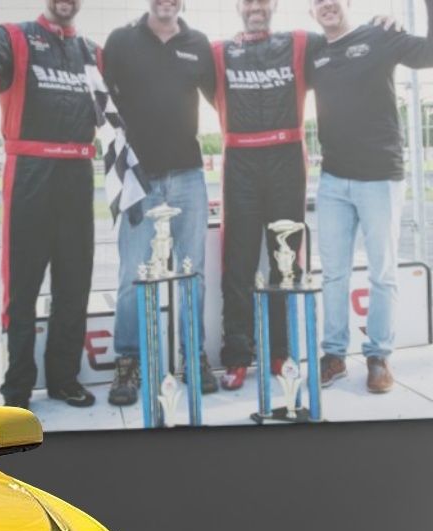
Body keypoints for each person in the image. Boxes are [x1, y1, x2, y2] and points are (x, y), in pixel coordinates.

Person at [0, 0, 101, 409]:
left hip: (79, 175)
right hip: (30, 174)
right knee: (22, 288)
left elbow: (119, 110)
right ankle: (17, 387)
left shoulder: (92, 52)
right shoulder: (12, 36)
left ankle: (64, 380)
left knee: (74, 284)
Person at [308, 0, 433, 393]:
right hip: (332, 181)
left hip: (380, 177)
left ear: (347, 4)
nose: (326, 5)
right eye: (317, 1)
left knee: (382, 272)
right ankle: (334, 355)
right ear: (313, 11)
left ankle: (378, 356)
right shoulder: (314, 52)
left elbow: (428, 54)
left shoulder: (381, 34)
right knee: (332, 274)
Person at [103, 0, 220, 406]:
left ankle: (194, 356)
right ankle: (129, 362)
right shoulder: (121, 41)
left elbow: (224, 100)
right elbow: (97, 101)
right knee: (132, 276)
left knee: (193, 273)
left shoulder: (199, 43)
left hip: (188, 175)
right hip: (138, 178)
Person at [210, 0, 311, 390]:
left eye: (262, 1)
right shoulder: (218, 52)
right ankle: (237, 356)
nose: (256, 7)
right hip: (241, 165)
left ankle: (281, 353)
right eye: (249, 1)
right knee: (237, 264)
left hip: (287, 162)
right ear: (238, 7)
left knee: (285, 264)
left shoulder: (300, 42)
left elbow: (342, 45)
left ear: (274, 6)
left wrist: (379, 23)